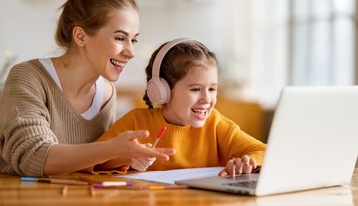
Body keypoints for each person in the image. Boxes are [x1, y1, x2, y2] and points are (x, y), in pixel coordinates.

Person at [0, 0, 174, 177]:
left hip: (63, 204)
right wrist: (112, 148)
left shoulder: (106, 93)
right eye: (120, 38)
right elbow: (34, 157)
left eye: (133, 40)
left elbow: (90, 163)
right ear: (80, 36)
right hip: (5, 204)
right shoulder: (28, 77)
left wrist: (127, 156)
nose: (131, 52)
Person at [86, 38, 267, 177]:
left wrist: (247, 162)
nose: (207, 99)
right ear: (162, 90)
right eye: (195, 89)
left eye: (212, 89)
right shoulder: (136, 122)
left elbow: (265, 152)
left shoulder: (216, 124)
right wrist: (128, 158)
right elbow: (93, 159)